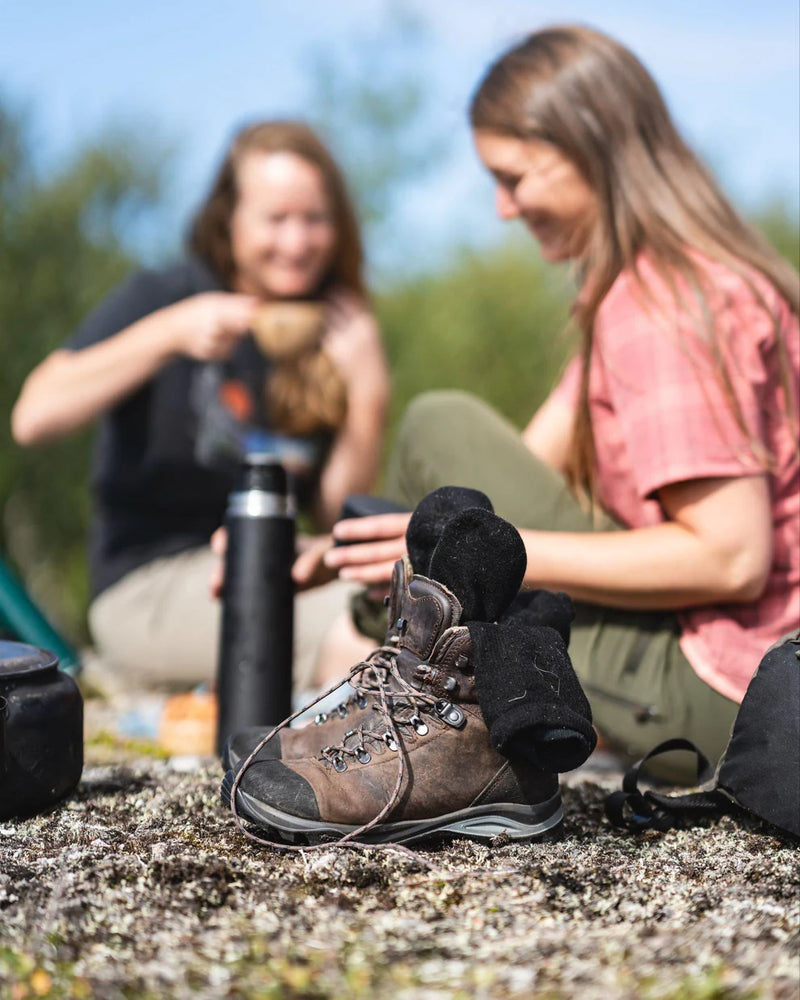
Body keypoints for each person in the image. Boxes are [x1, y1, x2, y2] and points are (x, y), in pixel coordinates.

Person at [315, 26, 799, 780]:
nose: (503, 209)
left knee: (436, 423)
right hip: (741, 679)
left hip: (729, 696)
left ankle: (409, 723)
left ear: (590, 145)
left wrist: (479, 556)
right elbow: (522, 475)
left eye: (514, 177)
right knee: (445, 503)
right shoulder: (656, 287)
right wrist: (335, 554)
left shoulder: (664, 302)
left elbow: (732, 556)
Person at [11, 120, 390, 693]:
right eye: (275, 219)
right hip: (148, 585)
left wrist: (368, 393)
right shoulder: (168, 295)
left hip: (276, 570)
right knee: (367, 624)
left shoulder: (332, 333)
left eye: (313, 219)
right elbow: (33, 417)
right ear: (228, 220)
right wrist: (166, 335)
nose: (296, 242)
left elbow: (337, 520)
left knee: (406, 595)